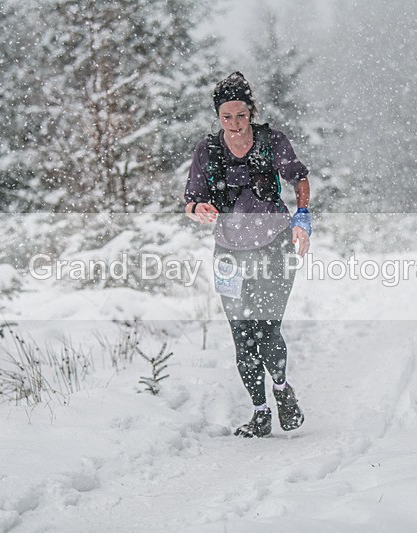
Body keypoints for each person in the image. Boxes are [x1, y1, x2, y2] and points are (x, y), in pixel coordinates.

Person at [184, 72, 312, 438]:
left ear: (251, 112)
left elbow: (299, 178)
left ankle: (282, 390)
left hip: (274, 245)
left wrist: (302, 216)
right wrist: (199, 210)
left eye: (241, 116)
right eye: (227, 117)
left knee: (267, 328)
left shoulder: (272, 143)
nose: (235, 125)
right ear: (218, 117)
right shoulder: (207, 151)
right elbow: (191, 200)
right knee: (241, 334)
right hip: (227, 252)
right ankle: (259, 412)